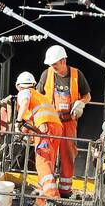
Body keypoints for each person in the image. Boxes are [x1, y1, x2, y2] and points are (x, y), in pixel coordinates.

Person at [37, 44, 91, 198]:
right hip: (51, 123)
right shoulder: (46, 75)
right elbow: (38, 97)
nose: (52, 67)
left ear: (63, 61)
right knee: (49, 156)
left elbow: (87, 95)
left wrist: (81, 103)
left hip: (68, 123)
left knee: (68, 155)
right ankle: (48, 191)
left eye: (54, 64)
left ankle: (65, 190)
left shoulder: (76, 75)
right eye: (51, 64)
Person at [14, 71, 63, 206]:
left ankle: (52, 197)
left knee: (42, 162)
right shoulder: (40, 97)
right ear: (34, 84)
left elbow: (24, 104)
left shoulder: (25, 93)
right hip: (55, 128)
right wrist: (24, 133)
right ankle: (41, 200)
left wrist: (17, 123)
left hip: (45, 129)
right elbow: (30, 122)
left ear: (18, 86)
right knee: (48, 163)